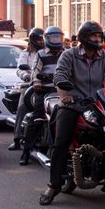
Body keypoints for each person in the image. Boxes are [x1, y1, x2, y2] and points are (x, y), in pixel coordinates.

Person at [39, 21, 105, 204]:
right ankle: (53, 185)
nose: (98, 39)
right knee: (61, 141)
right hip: (74, 103)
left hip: (97, 103)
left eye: (99, 36)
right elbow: (60, 76)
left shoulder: (104, 56)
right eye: (94, 36)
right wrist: (65, 96)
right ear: (83, 38)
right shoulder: (69, 55)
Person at [19, 26, 65, 165]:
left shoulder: (66, 54)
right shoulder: (41, 54)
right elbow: (35, 70)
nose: (56, 40)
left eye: (59, 37)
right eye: (53, 37)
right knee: (37, 118)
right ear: (47, 39)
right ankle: (26, 152)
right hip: (44, 91)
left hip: (62, 91)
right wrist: (36, 81)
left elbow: (72, 70)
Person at [12, 27, 45, 151]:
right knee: (22, 108)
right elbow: (20, 69)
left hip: (47, 86)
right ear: (33, 40)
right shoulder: (26, 54)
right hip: (30, 86)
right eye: (39, 39)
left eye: (43, 39)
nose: (41, 42)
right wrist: (25, 76)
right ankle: (16, 138)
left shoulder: (48, 53)